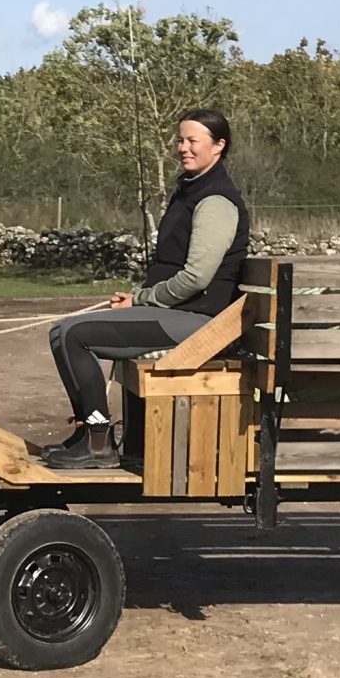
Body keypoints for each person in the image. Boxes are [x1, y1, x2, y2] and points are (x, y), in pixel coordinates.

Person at [40, 109, 250, 469]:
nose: (183, 148)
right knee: (63, 331)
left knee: (74, 335)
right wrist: (138, 298)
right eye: (180, 140)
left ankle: (98, 444)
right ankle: (88, 435)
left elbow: (196, 279)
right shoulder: (190, 191)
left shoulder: (216, 201)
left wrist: (141, 299)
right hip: (179, 313)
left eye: (192, 141)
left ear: (218, 146)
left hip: (201, 322)